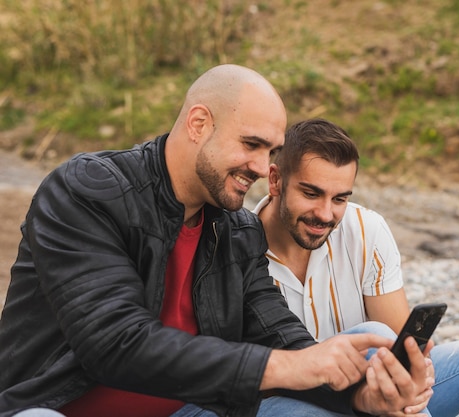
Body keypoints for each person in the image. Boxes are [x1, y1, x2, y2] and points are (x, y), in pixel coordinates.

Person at [0, 65, 434, 417]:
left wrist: (361, 396)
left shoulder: (237, 230)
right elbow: (115, 344)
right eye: (251, 144)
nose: (264, 168)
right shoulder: (88, 192)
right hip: (52, 408)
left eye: (271, 151)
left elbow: (282, 338)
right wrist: (290, 365)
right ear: (199, 123)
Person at [253, 118, 459, 417]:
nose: (325, 214)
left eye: (340, 198)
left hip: (373, 392)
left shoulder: (366, 230)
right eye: (311, 194)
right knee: (371, 340)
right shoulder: (234, 249)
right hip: (283, 404)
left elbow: (399, 352)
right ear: (275, 180)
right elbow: (238, 378)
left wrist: (410, 385)